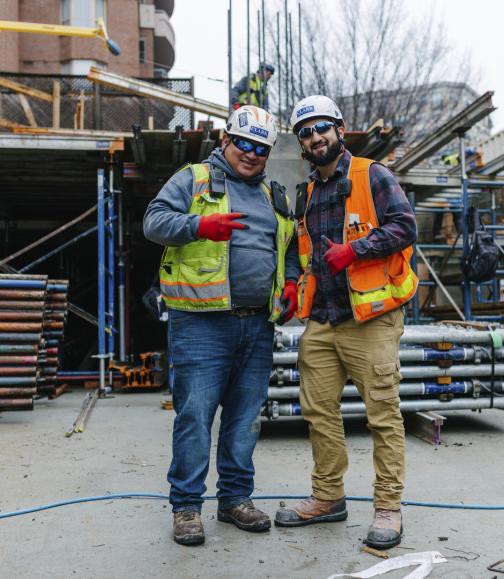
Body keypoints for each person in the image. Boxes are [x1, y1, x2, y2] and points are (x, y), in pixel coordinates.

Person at [143, 105, 299, 547]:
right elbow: (154, 222)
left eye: (261, 148)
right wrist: (199, 226)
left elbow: (286, 247)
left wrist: (289, 284)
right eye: (244, 144)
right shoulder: (192, 180)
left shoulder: (274, 193)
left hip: (257, 325)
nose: (251, 154)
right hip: (201, 325)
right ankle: (187, 507)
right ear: (225, 140)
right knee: (195, 416)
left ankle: (234, 500)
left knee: (246, 419)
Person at [274, 95, 418, 550]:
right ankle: (328, 497)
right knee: (318, 412)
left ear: (339, 129)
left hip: (371, 318)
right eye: (306, 133)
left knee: (382, 415)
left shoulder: (371, 174)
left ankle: (388, 508)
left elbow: (405, 226)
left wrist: (355, 250)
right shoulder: (308, 191)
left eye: (321, 128)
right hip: (323, 319)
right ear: (301, 143)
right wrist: (295, 282)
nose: (315, 138)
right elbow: (303, 247)